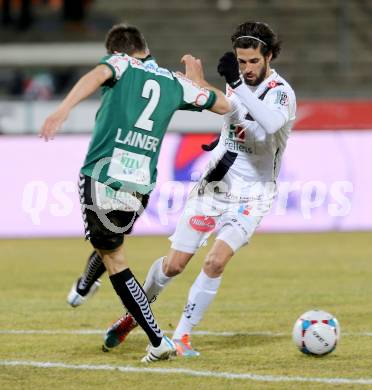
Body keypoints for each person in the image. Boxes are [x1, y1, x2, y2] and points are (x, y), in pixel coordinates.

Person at [71, 21, 296, 356]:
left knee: (215, 261)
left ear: (270, 56)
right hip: (214, 187)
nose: (247, 69)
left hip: (254, 195)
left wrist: (236, 84)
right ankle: (136, 313)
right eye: (241, 61)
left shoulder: (281, 92)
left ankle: (183, 336)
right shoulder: (238, 86)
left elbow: (271, 122)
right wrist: (199, 83)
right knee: (174, 265)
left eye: (253, 62)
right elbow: (226, 105)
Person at [40, 23, 230, 363]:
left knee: (114, 257)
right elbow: (223, 105)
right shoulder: (174, 82)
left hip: (103, 175)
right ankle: (85, 285)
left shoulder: (120, 64)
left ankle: (157, 341)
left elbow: (97, 74)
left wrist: (63, 108)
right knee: (111, 241)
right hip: (141, 184)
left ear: (118, 51)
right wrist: (198, 81)